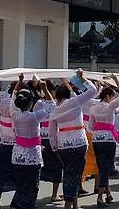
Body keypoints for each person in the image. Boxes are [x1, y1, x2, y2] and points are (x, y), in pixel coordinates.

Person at [49, 71, 96, 209]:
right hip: (78, 142)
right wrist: (83, 79)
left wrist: (55, 148)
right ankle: (69, 205)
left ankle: (74, 204)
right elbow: (93, 90)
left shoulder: (55, 110)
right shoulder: (74, 102)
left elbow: (52, 134)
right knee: (75, 174)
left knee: (69, 173)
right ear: (68, 95)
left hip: (63, 144)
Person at [9, 79, 55, 209]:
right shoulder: (34, 117)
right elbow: (52, 105)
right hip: (32, 157)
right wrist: (45, 89)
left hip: (17, 155)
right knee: (32, 188)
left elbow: (13, 98)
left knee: (20, 186)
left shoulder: (14, 114)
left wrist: (19, 82)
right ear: (30, 103)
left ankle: (16, 205)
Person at [89, 76, 119, 206]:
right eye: (112, 96)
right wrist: (116, 80)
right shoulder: (110, 107)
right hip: (108, 139)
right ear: (108, 96)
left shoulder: (93, 108)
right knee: (106, 167)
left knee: (102, 167)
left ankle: (108, 193)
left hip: (97, 138)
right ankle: (100, 197)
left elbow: (90, 127)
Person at [0, 81, 20, 209]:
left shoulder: (3, 102)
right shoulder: (18, 104)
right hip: (13, 141)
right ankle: (17, 199)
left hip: (0, 140)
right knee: (18, 170)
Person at [39, 90, 63, 204]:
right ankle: (54, 194)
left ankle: (35, 192)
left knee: (40, 166)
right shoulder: (56, 105)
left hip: (41, 136)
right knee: (57, 166)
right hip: (52, 136)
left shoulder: (39, 103)